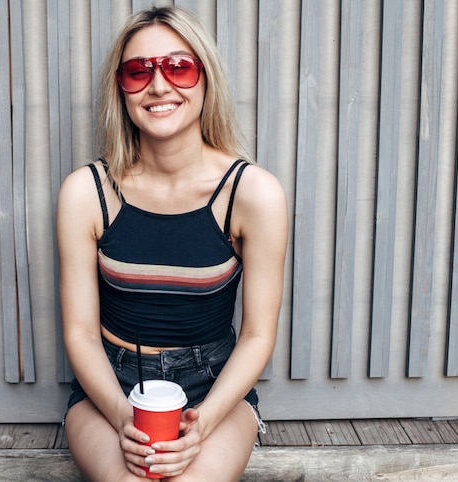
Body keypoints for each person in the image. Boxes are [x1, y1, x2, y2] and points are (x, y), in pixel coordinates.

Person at [57, 6, 288, 481]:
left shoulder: (253, 194)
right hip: (112, 390)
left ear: (206, 79)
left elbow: (258, 335)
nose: (159, 86)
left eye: (178, 66)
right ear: (120, 89)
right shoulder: (87, 193)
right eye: (138, 72)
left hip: (213, 391)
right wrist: (124, 417)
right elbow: (80, 332)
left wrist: (202, 425)